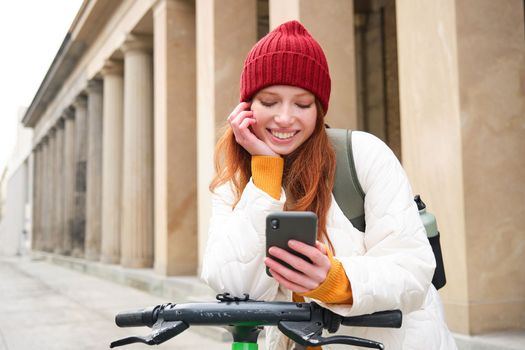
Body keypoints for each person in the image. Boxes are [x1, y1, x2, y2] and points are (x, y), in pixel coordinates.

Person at [201, 20, 456, 350]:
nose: (284, 118)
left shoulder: (363, 155)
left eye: (302, 104)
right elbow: (234, 288)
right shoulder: (234, 183)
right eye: (269, 101)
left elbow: (413, 270)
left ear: (319, 109)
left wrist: (334, 280)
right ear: (246, 107)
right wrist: (264, 174)